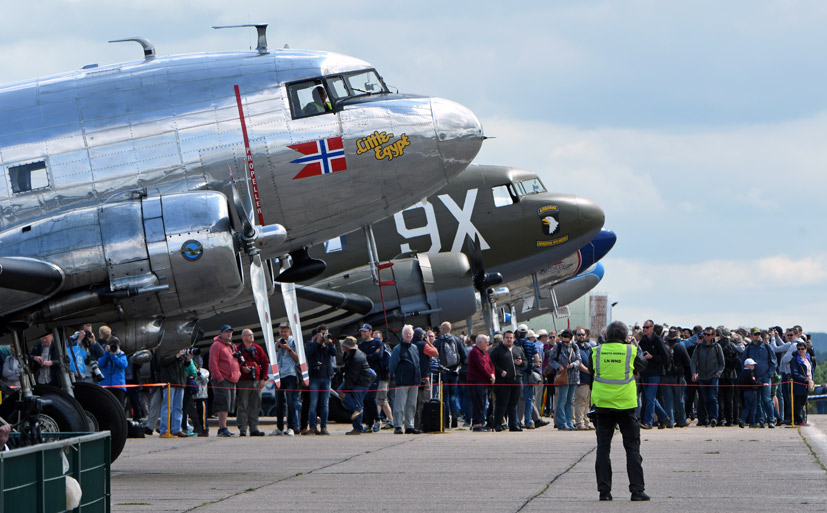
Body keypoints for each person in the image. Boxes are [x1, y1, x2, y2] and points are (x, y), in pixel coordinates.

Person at [588, 320, 650, 502]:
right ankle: (637, 491)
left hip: (603, 405)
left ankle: (604, 492)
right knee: (632, 449)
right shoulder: (630, 350)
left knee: (603, 449)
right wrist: (634, 346)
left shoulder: (596, 351)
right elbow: (642, 366)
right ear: (625, 337)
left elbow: (592, 370)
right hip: (626, 405)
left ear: (606, 336)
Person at [490, 330, 526, 432]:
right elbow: (491, 363)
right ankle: (498, 424)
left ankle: (513, 424)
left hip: (516, 380)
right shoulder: (497, 350)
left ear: (514, 339)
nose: (509, 339)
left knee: (513, 404)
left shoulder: (518, 350)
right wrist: (500, 371)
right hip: (503, 381)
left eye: (511, 338)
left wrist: (521, 363)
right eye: (507, 337)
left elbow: (526, 362)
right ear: (503, 338)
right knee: (502, 403)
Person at [637, 320, 671, 429]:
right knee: (649, 397)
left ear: (652, 328)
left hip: (655, 373)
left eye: (647, 327)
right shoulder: (643, 341)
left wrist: (652, 357)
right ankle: (664, 417)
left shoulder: (658, 341)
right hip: (645, 372)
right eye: (644, 327)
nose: (645, 329)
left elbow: (665, 358)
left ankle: (648, 422)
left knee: (650, 397)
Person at [236, 329, 270, 437]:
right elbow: (233, 363)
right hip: (243, 381)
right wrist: (242, 368)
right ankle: (242, 428)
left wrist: (264, 379)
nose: (252, 336)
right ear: (243, 337)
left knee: (255, 404)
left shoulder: (258, 349)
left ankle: (254, 427)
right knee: (243, 404)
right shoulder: (238, 349)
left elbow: (265, 362)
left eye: (252, 334)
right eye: (249, 335)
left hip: (256, 381)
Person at [209, 325, 241, 437]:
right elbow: (213, 363)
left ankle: (224, 426)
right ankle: (222, 428)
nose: (229, 334)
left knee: (229, 404)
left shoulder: (232, 346)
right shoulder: (216, 345)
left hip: (232, 379)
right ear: (221, 333)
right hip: (222, 379)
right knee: (223, 403)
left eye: (230, 332)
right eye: (226, 332)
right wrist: (220, 377)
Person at [388, 325, 421, 434]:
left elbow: (417, 363)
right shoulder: (397, 349)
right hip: (402, 381)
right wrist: (394, 376)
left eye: (410, 333)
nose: (408, 335)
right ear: (402, 335)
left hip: (414, 381)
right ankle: (397, 425)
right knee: (399, 405)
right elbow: (392, 365)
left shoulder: (415, 348)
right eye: (406, 333)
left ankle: (409, 425)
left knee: (411, 405)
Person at [270, 323, 301, 437]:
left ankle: (291, 427)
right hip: (279, 374)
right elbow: (272, 358)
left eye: (285, 332)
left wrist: (288, 349)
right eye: (281, 332)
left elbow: (298, 359)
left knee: (290, 402)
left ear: (290, 332)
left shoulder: (293, 342)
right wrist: (277, 347)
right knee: (279, 402)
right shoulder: (277, 342)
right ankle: (279, 427)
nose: (283, 334)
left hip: (290, 374)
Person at [339, 337, 375, 435]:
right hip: (355, 380)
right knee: (341, 392)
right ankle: (356, 409)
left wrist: (347, 388)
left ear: (347, 347)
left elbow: (353, 375)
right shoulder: (349, 354)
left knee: (358, 403)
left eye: (344, 345)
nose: (342, 346)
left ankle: (358, 427)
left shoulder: (357, 358)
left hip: (361, 382)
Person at [742, 327, 777, 428]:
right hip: (754, 378)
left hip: (765, 377)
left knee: (767, 399)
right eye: (755, 334)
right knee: (757, 401)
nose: (757, 336)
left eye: (759, 334)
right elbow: (743, 363)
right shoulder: (748, 349)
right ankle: (760, 420)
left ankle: (771, 420)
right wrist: (749, 376)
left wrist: (769, 374)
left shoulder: (767, 347)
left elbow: (774, 362)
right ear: (751, 335)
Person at [690, 327, 725, 427]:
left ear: (713, 335)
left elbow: (722, 363)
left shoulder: (717, 347)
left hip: (713, 376)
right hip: (702, 376)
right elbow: (693, 361)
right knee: (704, 399)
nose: (706, 336)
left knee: (713, 398)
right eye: (704, 334)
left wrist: (717, 374)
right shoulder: (699, 347)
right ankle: (706, 418)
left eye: (708, 334)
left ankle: (714, 417)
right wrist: (694, 373)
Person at [306, 325, 337, 435]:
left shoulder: (328, 345)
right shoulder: (311, 344)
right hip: (315, 377)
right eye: (323, 333)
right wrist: (318, 342)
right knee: (313, 403)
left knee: (325, 404)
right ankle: (312, 427)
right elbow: (308, 353)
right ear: (318, 333)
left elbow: (334, 353)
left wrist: (329, 343)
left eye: (326, 333)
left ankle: (324, 427)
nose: (324, 335)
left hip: (326, 377)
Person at [434, 321, 465, 429]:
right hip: (454, 372)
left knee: (445, 396)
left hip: (443, 372)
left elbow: (434, 357)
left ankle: (446, 420)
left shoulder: (438, 341)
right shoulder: (456, 340)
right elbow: (464, 355)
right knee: (453, 395)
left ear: (442, 330)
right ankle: (455, 417)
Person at [550, 330, 582, 431]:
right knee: (562, 400)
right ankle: (561, 422)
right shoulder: (558, 346)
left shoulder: (574, 346)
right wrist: (558, 366)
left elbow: (579, 359)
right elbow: (551, 359)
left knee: (570, 400)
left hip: (573, 376)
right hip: (563, 376)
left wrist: (573, 364)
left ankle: (569, 421)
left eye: (567, 342)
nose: (565, 344)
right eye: (564, 341)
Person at [159, 348, 192, 438]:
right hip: (169, 381)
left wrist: (187, 360)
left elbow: (183, 366)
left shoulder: (180, 349)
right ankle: (164, 430)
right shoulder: (165, 348)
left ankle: (176, 429)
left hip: (180, 382)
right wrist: (176, 356)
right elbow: (161, 362)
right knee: (167, 407)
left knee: (178, 407)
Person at [662, 328, 691, 428]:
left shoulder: (663, 347)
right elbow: (688, 362)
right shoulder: (680, 347)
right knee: (680, 400)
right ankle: (682, 420)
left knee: (668, 400)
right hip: (678, 377)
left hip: (665, 376)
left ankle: (670, 421)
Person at [357, 323, 383, 433]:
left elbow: (379, 356)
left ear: (370, 332)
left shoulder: (377, 342)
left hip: (374, 374)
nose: (363, 333)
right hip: (364, 375)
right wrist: (370, 355)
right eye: (362, 331)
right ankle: (369, 423)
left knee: (371, 398)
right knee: (365, 399)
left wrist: (367, 356)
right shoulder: (361, 344)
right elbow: (359, 357)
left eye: (365, 331)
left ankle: (378, 419)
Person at [466, 334, 495, 432]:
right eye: (485, 342)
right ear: (479, 343)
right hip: (476, 381)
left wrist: (493, 374)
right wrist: (489, 376)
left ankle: (481, 422)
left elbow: (490, 364)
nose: (487, 344)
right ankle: (477, 424)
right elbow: (481, 366)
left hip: (484, 381)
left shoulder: (484, 352)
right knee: (478, 402)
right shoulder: (475, 352)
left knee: (483, 402)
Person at [98, 332, 128, 404]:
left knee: (119, 407)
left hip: (118, 387)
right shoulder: (104, 354)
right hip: (105, 386)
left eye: (115, 346)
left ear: (119, 347)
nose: (113, 348)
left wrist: (113, 356)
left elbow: (123, 365)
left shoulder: (122, 355)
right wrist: (106, 353)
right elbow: (100, 364)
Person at [790, 341, 813, 426]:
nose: (800, 350)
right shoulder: (795, 360)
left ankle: (804, 420)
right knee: (799, 403)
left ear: (806, 349)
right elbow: (794, 373)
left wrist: (811, 380)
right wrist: (804, 378)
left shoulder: (807, 358)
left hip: (807, 384)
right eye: (799, 349)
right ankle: (800, 420)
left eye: (802, 349)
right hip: (799, 384)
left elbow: (811, 370)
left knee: (804, 402)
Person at [574, 328, 594, 430]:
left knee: (587, 401)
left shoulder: (589, 347)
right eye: (579, 334)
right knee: (580, 401)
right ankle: (579, 422)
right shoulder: (575, 347)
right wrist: (587, 370)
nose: (581, 336)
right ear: (576, 336)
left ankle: (587, 422)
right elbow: (577, 362)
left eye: (583, 334)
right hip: (580, 378)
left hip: (589, 379)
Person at [738, 358, 760, 428]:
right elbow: (752, 382)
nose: (753, 366)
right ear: (747, 365)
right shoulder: (750, 373)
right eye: (751, 365)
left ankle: (742, 419)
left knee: (747, 407)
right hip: (751, 391)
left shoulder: (742, 373)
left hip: (745, 392)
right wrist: (759, 384)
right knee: (753, 407)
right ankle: (752, 422)